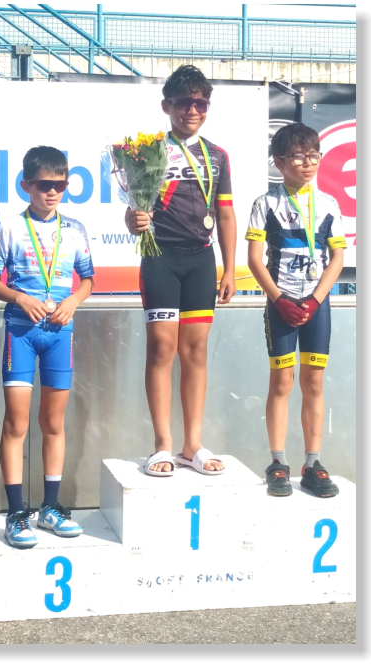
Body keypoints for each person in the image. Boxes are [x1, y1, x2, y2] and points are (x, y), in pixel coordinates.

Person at [126, 65, 237, 477]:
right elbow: (134, 210)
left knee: (195, 351)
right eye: (184, 103)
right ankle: (162, 445)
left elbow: (226, 215)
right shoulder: (148, 152)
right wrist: (132, 221)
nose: (192, 110)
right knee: (162, 348)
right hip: (161, 258)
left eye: (200, 103)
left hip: (201, 259)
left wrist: (229, 269)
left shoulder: (218, 155)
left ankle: (192, 444)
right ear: (166, 106)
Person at [0, 146, 94, 548]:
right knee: (16, 424)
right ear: (26, 185)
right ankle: (16, 512)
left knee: (53, 423)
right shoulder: (12, 227)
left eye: (60, 186)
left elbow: (87, 280)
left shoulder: (75, 229)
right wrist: (19, 298)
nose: (52, 192)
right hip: (21, 333)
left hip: (60, 333)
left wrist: (73, 301)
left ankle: (50, 506)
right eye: (44, 185)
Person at [246, 123, 347, 497]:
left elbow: (337, 259)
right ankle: (278, 462)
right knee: (283, 382)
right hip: (281, 304)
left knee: (314, 382)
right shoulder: (265, 203)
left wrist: (316, 299)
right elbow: (254, 260)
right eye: (299, 156)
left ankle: (313, 464)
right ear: (279, 162)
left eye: (314, 155)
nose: (308, 163)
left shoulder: (329, 205)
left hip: (317, 305)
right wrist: (279, 299)